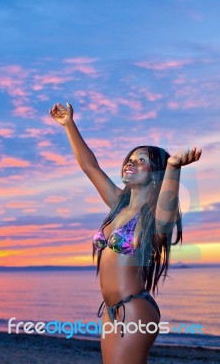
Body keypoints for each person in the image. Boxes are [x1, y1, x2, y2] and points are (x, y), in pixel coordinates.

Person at [49, 102, 202, 364]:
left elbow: (166, 210)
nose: (131, 163)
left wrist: (173, 167)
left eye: (140, 161)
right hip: (111, 310)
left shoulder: (153, 218)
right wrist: (69, 125)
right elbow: (90, 167)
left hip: (134, 309)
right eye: (130, 159)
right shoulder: (118, 204)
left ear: (156, 174)